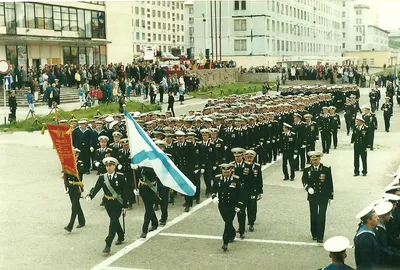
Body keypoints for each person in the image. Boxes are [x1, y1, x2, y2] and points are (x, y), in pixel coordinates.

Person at [86, 157, 128, 253]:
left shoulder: (121, 177)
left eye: (111, 166)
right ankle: (121, 235)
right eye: (107, 166)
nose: (109, 168)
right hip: (108, 203)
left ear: (115, 166)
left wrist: (125, 205)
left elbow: (125, 191)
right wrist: (90, 195)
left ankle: (108, 243)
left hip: (117, 203)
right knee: (114, 221)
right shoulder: (102, 177)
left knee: (112, 223)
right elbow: (96, 188)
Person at [301, 151, 334, 243]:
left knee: (322, 215)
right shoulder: (307, 170)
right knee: (314, 214)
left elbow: (329, 182)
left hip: (323, 196)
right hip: (313, 196)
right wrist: (307, 188)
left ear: (319, 159)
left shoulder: (326, 169)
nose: (314, 162)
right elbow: (304, 180)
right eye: (312, 160)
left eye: (316, 160)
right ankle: (314, 233)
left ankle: (320, 236)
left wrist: (330, 195)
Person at [211, 163, 243, 251]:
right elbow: (214, 189)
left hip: (232, 205)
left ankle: (225, 242)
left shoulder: (236, 180)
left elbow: (240, 193)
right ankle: (232, 233)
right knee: (227, 221)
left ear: (231, 171)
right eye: (224, 172)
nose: (226, 174)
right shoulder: (217, 178)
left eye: (227, 172)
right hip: (222, 204)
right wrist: (214, 196)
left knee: (228, 222)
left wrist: (239, 205)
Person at [238, 150, 263, 237]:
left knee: (252, 207)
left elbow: (259, 179)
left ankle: (251, 222)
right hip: (244, 190)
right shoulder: (242, 166)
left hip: (253, 190)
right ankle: (241, 226)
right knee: (241, 208)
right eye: (247, 157)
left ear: (253, 158)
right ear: (244, 157)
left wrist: (260, 191)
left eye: (251, 157)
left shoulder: (257, 166)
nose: (249, 158)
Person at [63, 148, 85, 232]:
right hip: (71, 187)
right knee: (76, 204)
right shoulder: (68, 164)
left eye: (75, 155)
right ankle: (82, 221)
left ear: (77, 155)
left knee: (74, 207)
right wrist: (65, 186)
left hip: (77, 187)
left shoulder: (80, 164)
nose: (73, 156)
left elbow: (80, 173)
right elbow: (65, 176)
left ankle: (70, 225)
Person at [135, 165, 159, 238]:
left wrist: (140, 169)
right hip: (143, 188)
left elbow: (151, 173)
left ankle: (144, 230)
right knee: (148, 207)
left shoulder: (152, 165)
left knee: (148, 209)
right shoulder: (141, 166)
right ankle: (155, 223)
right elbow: (136, 177)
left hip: (151, 189)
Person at [354, 204, 380, 269]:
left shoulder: (366, 230)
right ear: (369, 220)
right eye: (375, 217)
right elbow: (367, 262)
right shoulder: (365, 238)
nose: (378, 218)